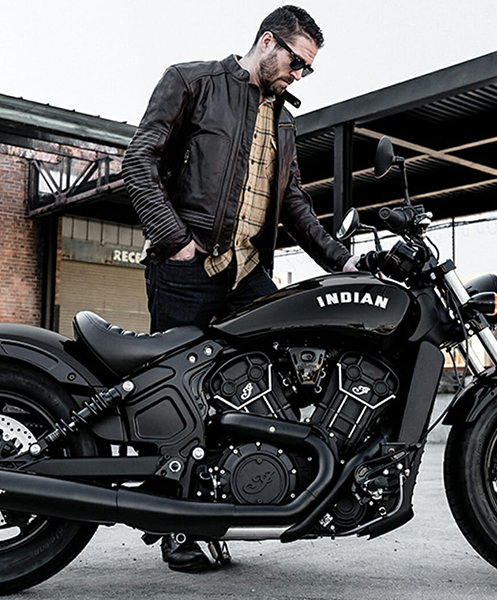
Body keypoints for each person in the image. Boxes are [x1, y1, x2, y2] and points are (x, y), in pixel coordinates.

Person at [122, 5, 357, 572]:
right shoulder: (193, 81)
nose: (299, 75)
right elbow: (139, 159)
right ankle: (176, 529)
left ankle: (240, 497)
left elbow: (293, 200)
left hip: (249, 272)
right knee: (176, 398)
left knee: (272, 379)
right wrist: (173, 238)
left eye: (307, 70)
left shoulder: (283, 118)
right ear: (267, 41)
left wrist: (340, 259)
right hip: (189, 265)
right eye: (297, 62)